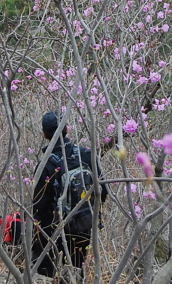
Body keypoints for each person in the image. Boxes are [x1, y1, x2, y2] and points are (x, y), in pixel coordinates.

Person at [31, 112, 108, 280]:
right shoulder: (86, 155)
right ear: (66, 129)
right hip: (83, 225)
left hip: (53, 229)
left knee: (44, 273)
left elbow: (38, 204)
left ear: (44, 134)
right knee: (75, 273)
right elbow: (103, 191)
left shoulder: (46, 164)